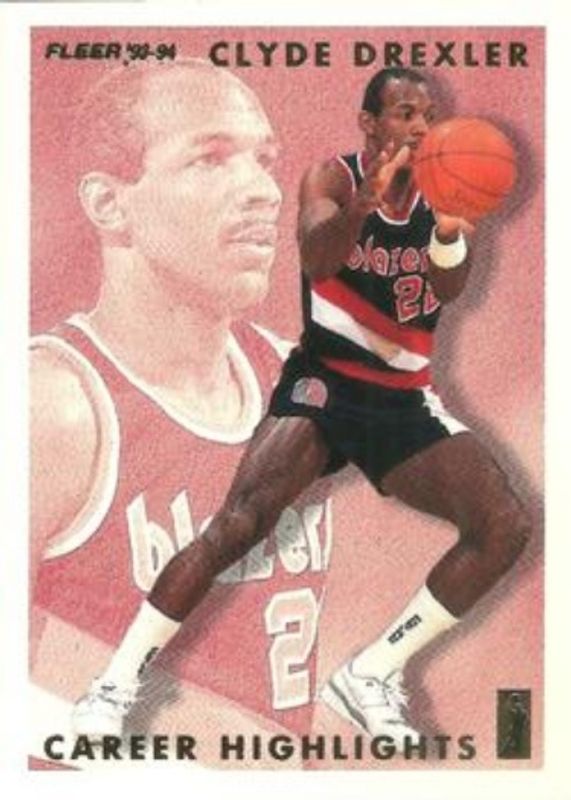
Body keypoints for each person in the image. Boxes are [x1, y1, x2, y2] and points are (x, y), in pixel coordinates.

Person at [72, 66, 530, 750]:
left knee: (503, 524)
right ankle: (114, 685)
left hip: (400, 399)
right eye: (403, 113)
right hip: (325, 386)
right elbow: (319, 257)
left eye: (426, 116)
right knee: (237, 525)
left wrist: (451, 225)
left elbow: (447, 287)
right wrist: (371, 197)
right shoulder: (332, 179)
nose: (418, 128)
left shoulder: (440, 188)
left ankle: (371, 672)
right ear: (369, 124)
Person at [31, 60, 334, 765]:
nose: (263, 190)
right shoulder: (53, 404)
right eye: (210, 158)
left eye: (264, 160)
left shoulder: (300, 383)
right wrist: (231, 751)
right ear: (109, 204)